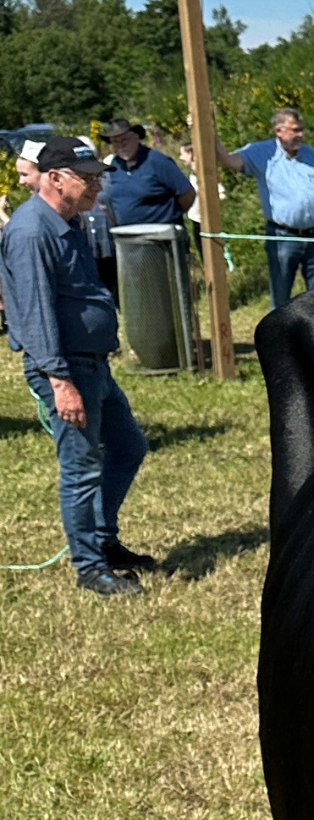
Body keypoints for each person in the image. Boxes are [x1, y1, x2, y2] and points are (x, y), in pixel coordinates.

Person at [0, 137, 153, 597]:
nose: (95, 185)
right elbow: (35, 311)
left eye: (97, 177)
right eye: (86, 178)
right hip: (67, 370)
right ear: (53, 178)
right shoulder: (31, 231)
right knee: (82, 467)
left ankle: (103, 541)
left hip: (92, 366)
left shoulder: (70, 221)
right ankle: (90, 567)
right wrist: (59, 380)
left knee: (128, 447)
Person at [218, 106, 314, 308]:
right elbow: (229, 161)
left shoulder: (313, 155)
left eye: (301, 130)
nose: (300, 135)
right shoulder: (261, 152)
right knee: (281, 300)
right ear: (278, 130)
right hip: (283, 237)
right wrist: (207, 135)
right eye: (295, 130)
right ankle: (280, 338)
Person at [99, 117, 196, 229]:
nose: (120, 145)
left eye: (124, 140)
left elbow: (187, 193)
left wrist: (171, 215)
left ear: (136, 137)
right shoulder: (114, 165)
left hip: (162, 237)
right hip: (127, 239)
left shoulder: (157, 161)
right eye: (115, 142)